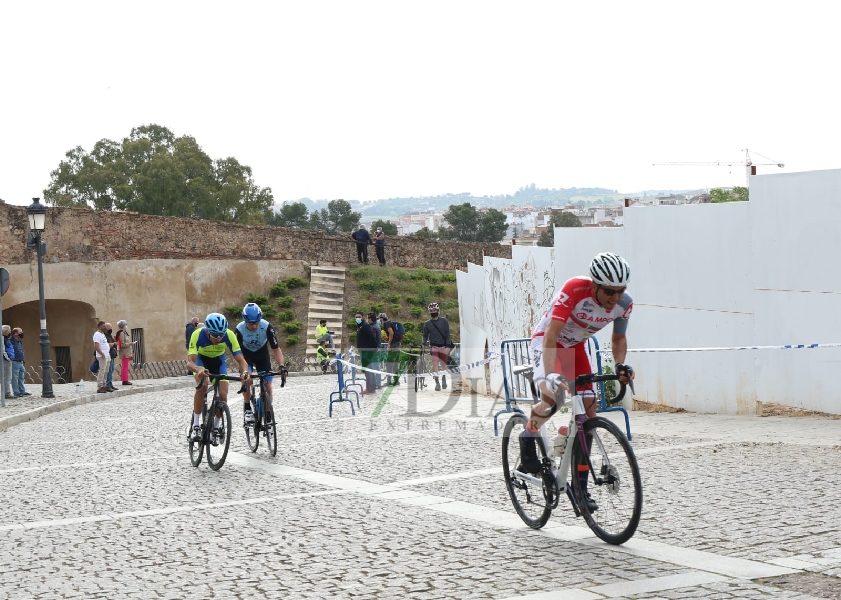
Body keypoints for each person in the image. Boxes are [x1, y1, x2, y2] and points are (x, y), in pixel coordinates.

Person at [519, 252, 636, 511]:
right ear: (594, 284)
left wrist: (619, 366)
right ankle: (528, 437)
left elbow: (618, 340)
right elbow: (552, 334)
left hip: (575, 348)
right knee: (552, 400)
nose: (615, 298)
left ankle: (580, 488)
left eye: (620, 291)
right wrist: (550, 374)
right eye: (609, 291)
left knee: (589, 413)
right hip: (547, 342)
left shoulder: (624, 304)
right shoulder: (574, 290)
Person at [186, 313, 250, 443]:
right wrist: (198, 369)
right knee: (202, 386)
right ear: (207, 331)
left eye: (221, 335)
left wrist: (244, 372)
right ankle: (196, 426)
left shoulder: (229, 335)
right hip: (201, 361)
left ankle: (215, 427)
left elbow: (241, 359)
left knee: (223, 395)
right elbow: (190, 363)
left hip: (219, 362)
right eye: (215, 335)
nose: (218, 338)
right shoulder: (197, 334)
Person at [235, 303, 285, 426]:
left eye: (257, 322)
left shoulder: (267, 326)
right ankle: (247, 408)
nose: (254, 325)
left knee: (268, 386)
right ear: (245, 321)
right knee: (247, 379)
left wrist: (282, 366)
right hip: (246, 355)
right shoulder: (239, 329)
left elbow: (276, 349)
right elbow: (238, 354)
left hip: (262, 354)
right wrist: (245, 372)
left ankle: (267, 413)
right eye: (251, 323)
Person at [422, 302, 453, 391]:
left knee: (443, 364)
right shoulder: (427, 323)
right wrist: (423, 343)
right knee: (435, 363)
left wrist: (448, 346)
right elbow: (425, 335)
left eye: (434, 310)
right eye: (431, 311)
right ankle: (437, 382)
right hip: (433, 346)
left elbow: (447, 334)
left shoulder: (444, 321)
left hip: (443, 345)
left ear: (438, 311)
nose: (433, 312)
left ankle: (443, 378)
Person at [354, 311, 378, 394]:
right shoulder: (360, 326)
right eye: (356, 317)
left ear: (362, 317)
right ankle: (372, 387)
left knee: (367, 370)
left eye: (359, 317)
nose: (357, 318)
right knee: (369, 369)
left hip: (366, 351)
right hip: (363, 350)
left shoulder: (365, 326)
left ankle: (369, 388)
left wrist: (375, 347)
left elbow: (371, 337)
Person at [378, 312, 401, 386]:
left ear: (382, 319)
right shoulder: (390, 322)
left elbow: (391, 333)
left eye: (379, 319)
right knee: (395, 364)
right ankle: (396, 381)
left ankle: (389, 382)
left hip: (393, 346)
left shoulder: (386, 324)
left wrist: (389, 344)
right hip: (398, 345)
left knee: (389, 364)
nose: (379, 321)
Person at [93, 321, 112, 394]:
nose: (105, 327)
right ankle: (100, 386)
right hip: (102, 356)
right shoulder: (97, 334)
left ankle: (104, 385)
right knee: (102, 371)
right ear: (100, 326)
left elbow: (104, 343)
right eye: (104, 326)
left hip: (107, 354)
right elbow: (96, 346)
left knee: (106, 371)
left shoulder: (103, 334)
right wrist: (102, 353)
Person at [10, 328, 30, 397]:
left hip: (20, 362)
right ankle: (16, 392)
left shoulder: (19, 341)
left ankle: (22, 390)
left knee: (21, 377)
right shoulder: (11, 341)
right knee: (15, 378)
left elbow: (20, 350)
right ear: (16, 333)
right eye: (20, 332)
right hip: (15, 361)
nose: (22, 333)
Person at [367, 312, 383, 388]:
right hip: (376, 348)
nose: (367, 320)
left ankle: (377, 383)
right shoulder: (377, 326)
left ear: (370, 319)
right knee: (376, 367)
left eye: (368, 318)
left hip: (373, 350)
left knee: (374, 367)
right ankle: (377, 383)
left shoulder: (372, 327)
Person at [116, 320, 134, 385]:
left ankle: (125, 379)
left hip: (126, 352)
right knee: (125, 366)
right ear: (123, 326)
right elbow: (122, 344)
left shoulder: (123, 333)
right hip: (124, 353)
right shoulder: (121, 333)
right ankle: (125, 380)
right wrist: (130, 344)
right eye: (125, 325)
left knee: (125, 366)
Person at [104, 323, 118, 391]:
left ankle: (110, 384)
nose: (111, 329)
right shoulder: (104, 336)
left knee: (112, 369)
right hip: (108, 354)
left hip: (112, 354)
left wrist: (113, 344)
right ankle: (108, 384)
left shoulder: (109, 335)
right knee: (109, 370)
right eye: (109, 328)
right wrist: (112, 344)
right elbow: (107, 345)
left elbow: (114, 343)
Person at [3, 326, 15, 400]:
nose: (10, 331)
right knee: (7, 377)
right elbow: (3, 350)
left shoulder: (6, 338)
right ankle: (6, 393)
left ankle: (6, 392)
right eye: (9, 330)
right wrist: (8, 358)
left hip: (8, 358)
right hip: (6, 360)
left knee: (7, 377)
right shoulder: (3, 339)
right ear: (5, 331)